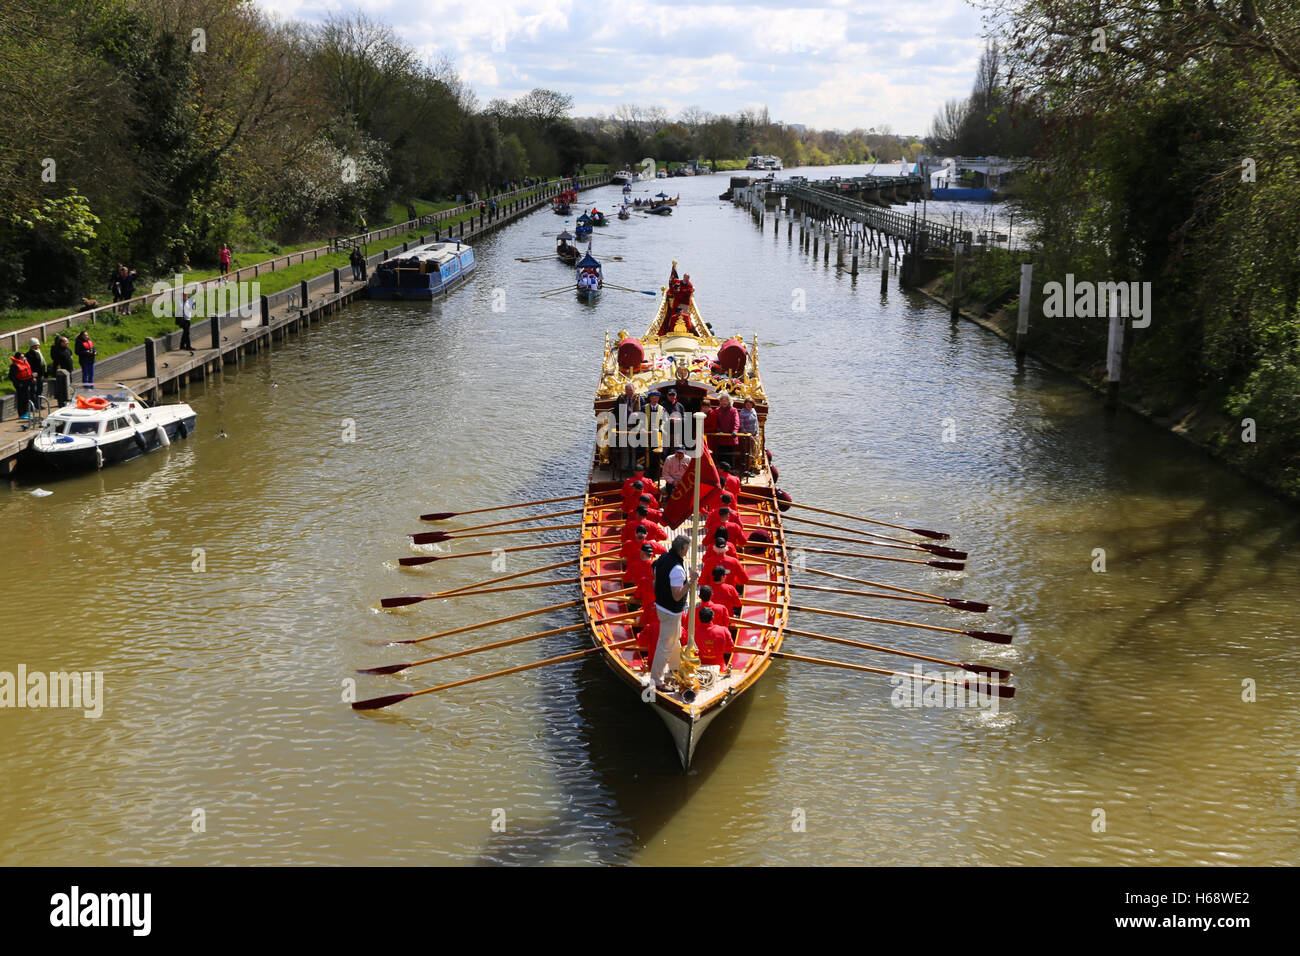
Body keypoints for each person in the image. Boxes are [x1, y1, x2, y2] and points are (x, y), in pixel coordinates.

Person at [650, 535, 696, 689]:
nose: (687, 551)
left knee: (675, 637)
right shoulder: (677, 569)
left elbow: (656, 575)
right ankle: (656, 680)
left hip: (661, 607)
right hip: (670, 612)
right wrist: (690, 582)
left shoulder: (662, 558)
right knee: (664, 646)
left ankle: (676, 666)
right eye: (687, 549)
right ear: (682, 549)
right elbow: (677, 596)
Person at [706, 392, 741, 472]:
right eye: (722, 400)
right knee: (721, 456)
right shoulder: (717, 410)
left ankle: (730, 473)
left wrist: (735, 431)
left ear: (729, 401)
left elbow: (736, 422)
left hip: (731, 438)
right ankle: (721, 473)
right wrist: (718, 430)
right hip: (721, 438)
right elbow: (716, 422)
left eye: (725, 401)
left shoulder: (733, 410)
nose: (723, 402)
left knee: (730, 456)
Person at [692, 606, 735, 671]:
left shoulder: (692, 633)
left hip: (698, 668)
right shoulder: (723, 630)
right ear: (712, 617)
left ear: (699, 618)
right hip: (720, 668)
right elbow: (730, 649)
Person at [613, 383, 642, 475]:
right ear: (625, 391)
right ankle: (624, 466)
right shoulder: (621, 399)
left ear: (634, 390)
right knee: (624, 447)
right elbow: (615, 412)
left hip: (635, 426)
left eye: (631, 390)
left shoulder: (640, 399)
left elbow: (644, 411)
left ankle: (634, 466)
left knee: (634, 447)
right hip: (623, 426)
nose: (629, 392)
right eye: (628, 390)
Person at [8, 353, 34, 419]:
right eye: (21, 357)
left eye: (23, 356)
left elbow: (28, 372)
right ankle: (21, 414)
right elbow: (11, 376)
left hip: (26, 383)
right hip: (20, 384)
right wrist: (18, 384)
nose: (23, 358)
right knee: (21, 399)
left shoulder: (24, 363)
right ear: (18, 358)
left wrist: (32, 378)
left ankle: (25, 413)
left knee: (26, 398)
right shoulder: (14, 365)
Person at [737, 397, 759, 472]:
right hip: (746, 436)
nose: (748, 406)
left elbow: (756, 423)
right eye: (747, 404)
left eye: (750, 404)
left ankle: (752, 466)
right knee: (747, 452)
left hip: (754, 435)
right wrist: (748, 434)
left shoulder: (753, 411)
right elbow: (741, 425)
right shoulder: (743, 412)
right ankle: (746, 469)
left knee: (754, 451)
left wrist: (756, 433)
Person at [24, 337, 46, 407]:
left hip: (40, 375)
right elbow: (29, 367)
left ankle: (38, 404)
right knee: (34, 391)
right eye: (36, 345)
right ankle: (34, 405)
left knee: (39, 390)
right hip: (35, 376)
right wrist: (32, 377)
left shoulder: (38, 351)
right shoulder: (29, 354)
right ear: (32, 346)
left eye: (38, 345)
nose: (38, 346)